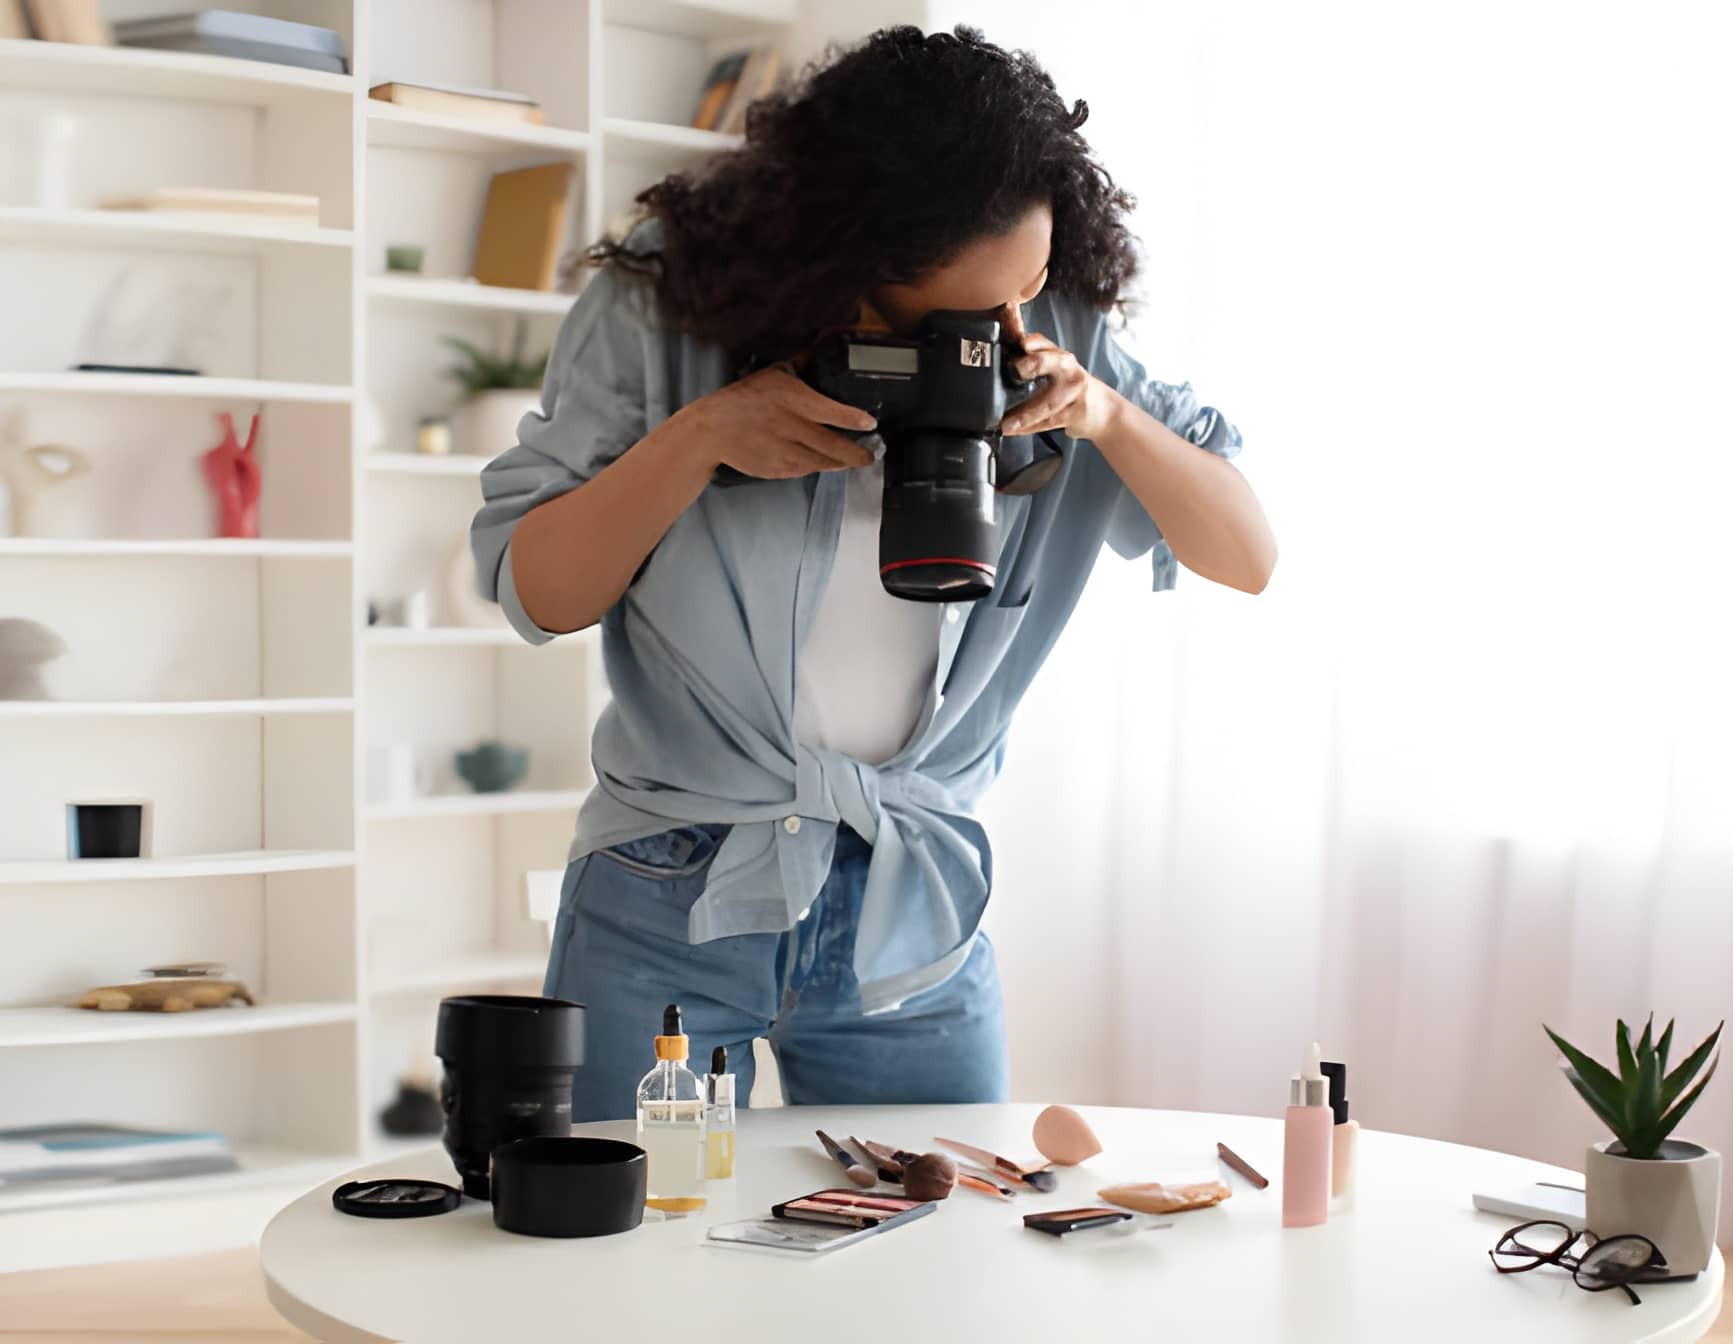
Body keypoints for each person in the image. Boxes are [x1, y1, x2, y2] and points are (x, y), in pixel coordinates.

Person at [470, 25, 1275, 1120]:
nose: (1003, 331)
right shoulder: (667, 305)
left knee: (936, 1225)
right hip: (671, 881)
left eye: (1028, 287)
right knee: (633, 1221)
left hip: (911, 890)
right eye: (955, 320)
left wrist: (1107, 416)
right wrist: (700, 440)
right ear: (841, 272)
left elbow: (1246, 556)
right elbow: (540, 591)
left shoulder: (1054, 333)